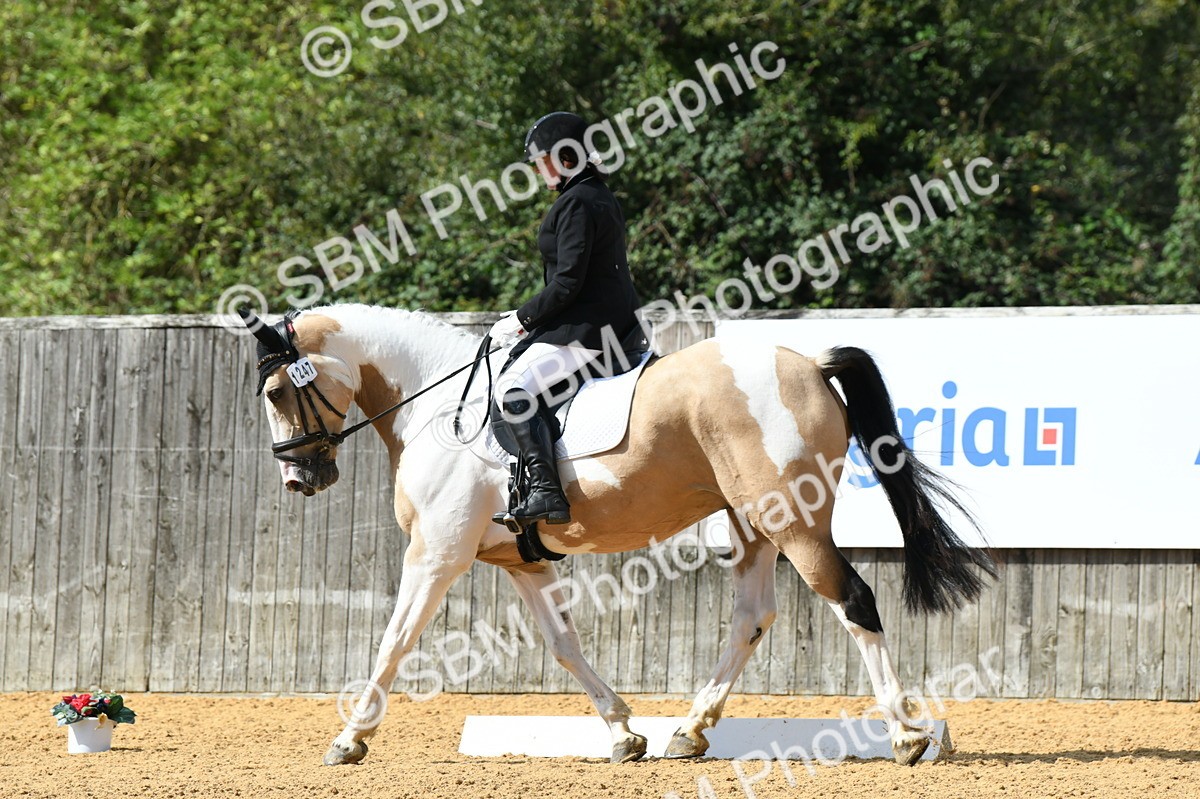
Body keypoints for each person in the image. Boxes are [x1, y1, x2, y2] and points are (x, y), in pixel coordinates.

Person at [489, 111, 642, 526]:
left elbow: (568, 282)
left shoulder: (576, 202)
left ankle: (546, 492)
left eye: (543, 160)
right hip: (610, 324)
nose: (539, 170)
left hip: (587, 331)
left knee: (513, 388)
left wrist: (520, 319)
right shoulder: (600, 195)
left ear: (565, 158)